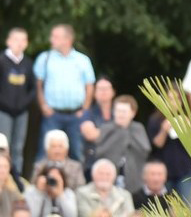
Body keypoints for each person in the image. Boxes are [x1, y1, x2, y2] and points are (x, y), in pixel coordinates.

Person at [35, 24, 96, 162]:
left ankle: (77, 183)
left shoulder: (82, 60)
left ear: (67, 40)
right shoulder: (45, 58)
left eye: (56, 37)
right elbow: (38, 85)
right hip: (52, 115)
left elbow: (90, 86)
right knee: (45, 153)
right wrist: (43, 105)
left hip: (76, 115)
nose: (51, 40)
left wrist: (84, 109)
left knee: (77, 152)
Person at [147, 89, 191, 204]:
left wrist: (188, 129)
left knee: (186, 206)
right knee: (165, 206)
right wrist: (164, 130)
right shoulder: (155, 119)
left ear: (181, 101)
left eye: (176, 99)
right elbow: (155, 145)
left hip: (185, 170)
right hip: (163, 173)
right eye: (169, 98)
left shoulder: (188, 119)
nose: (173, 102)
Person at [91, 95, 150, 191]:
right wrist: (120, 134)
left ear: (133, 113)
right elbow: (99, 152)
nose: (120, 115)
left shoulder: (138, 128)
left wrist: (127, 135)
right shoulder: (106, 128)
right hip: (109, 179)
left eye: (124, 112)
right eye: (118, 111)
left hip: (134, 178)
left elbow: (145, 150)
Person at [1, 28, 38, 174]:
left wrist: (24, 104)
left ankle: (16, 178)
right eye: (16, 39)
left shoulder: (27, 64)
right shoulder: (2, 60)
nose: (19, 43)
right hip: (3, 111)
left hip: (22, 112)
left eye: (23, 40)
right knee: (4, 146)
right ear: (8, 41)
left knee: (18, 147)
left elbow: (33, 88)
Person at [78, 77, 117, 167]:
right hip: (93, 159)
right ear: (94, 93)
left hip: (117, 159)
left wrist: (100, 132)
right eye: (100, 89)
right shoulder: (88, 113)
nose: (103, 91)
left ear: (113, 92)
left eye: (106, 88)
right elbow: (91, 135)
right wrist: (116, 131)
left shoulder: (119, 112)